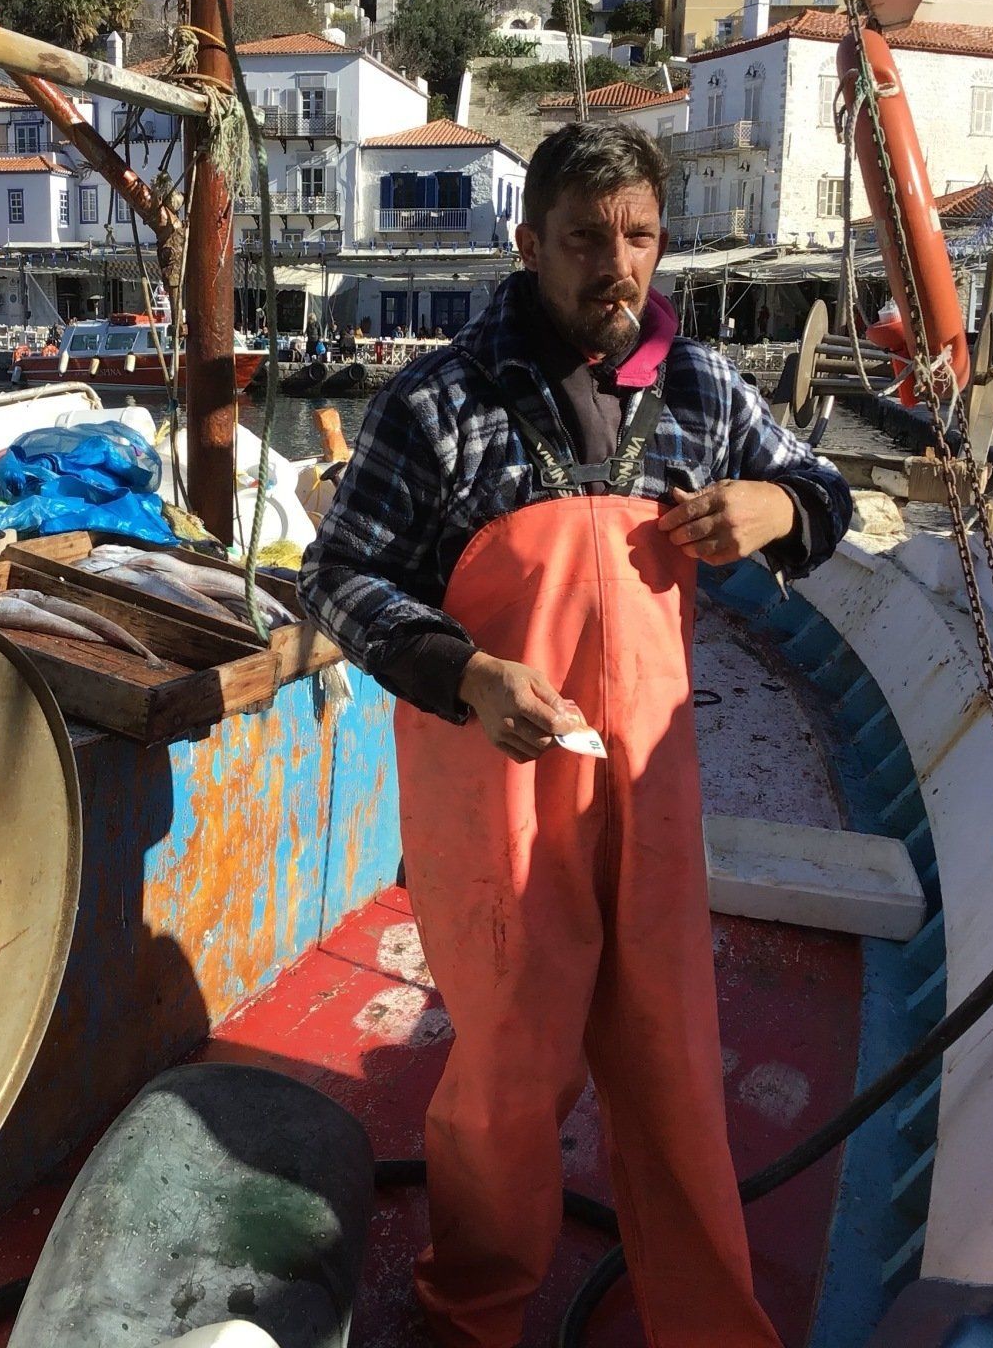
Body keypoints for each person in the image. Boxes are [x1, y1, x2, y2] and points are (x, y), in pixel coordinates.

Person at [300, 123, 850, 1348]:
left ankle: (708, 1321)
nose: (620, 264)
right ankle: (473, 1310)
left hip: (651, 788)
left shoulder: (704, 392)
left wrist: (777, 504)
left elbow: (827, 496)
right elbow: (337, 579)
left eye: (641, 235)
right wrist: (466, 670)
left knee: (670, 1055)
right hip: (491, 789)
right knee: (507, 1063)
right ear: (529, 244)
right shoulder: (438, 400)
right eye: (588, 239)